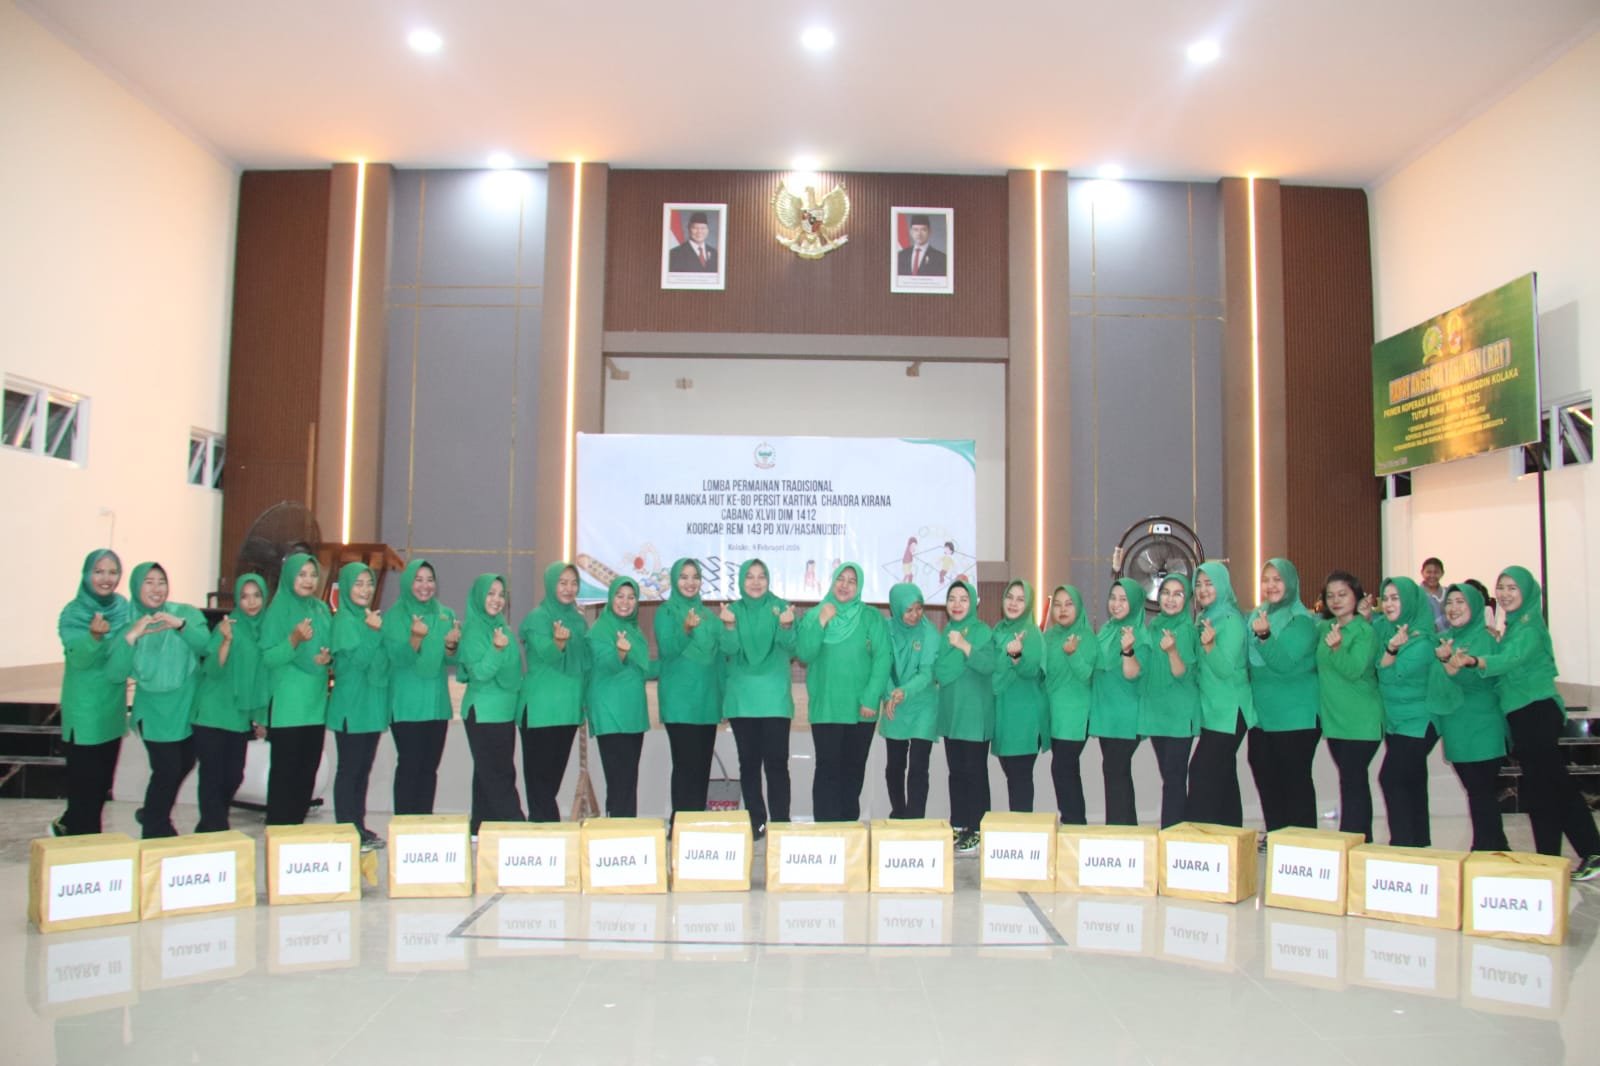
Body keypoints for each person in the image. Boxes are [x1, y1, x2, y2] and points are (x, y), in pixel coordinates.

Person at [1473, 566, 1600, 880]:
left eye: (1512, 588)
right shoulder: (1514, 626)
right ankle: (1548, 858)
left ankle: (1592, 850)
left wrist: (1478, 661)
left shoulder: (1529, 627)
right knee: (1541, 788)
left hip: (1536, 711)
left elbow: (1513, 660)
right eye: (1501, 587)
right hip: (1524, 713)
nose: (1505, 594)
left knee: (1554, 784)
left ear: (1527, 592)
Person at [105, 562, 209, 838]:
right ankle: (156, 828)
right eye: (148, 582)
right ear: (136, 587)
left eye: (161, 581)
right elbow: (115, 673)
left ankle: (151, 811)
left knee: (185, 763)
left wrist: (180, 626)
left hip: (186, 706)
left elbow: (206, 646)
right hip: (153, 712)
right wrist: (132, 636)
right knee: (167, 769)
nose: (156, 588)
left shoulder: (184, 613)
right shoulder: (128, 623)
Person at [797, 562, 890, 822]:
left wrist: (871, 698)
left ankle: (849, 830)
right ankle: (826, 829)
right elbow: (804, 654)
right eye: (841, 579)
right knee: (827, 769)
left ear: (858, 587)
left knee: (853, 770)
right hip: (826, 706)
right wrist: (821, 621)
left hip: (862, 708)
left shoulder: (871, 617)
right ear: (832, 581)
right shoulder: (815, 614)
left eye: (852, 581)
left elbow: (883, 658)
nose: (845, 585)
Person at [54, 549, 131, 837]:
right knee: (84, 787)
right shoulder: (74, 612)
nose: (106, 578)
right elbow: (79, 659)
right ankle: (84, 846)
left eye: (112, 572)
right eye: (99, 571)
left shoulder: (123, 608)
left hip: (112, 707)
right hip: (85, 711)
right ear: (87, 574)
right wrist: (94, 636)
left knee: (100, 786)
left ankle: (69, 826)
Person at [719, 559, 796, 836]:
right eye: (749, 576)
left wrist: (786, 627)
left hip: (774, 699)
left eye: (761, 576)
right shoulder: (732, 611)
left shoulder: (781, 608)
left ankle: (781, 822)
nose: (755, 582)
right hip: (742, 700)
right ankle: (756, 822)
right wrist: (729, 626)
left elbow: (792, 648)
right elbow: (728, 650)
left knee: (777, 764)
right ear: (741, 581)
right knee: (749, 765)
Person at [1246, 558, 1321, 835]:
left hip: (1296, 717)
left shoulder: (1302, 621)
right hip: (1263, 717)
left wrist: (1265, 637)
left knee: (1295, 784)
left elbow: (1284, 663)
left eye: (1277, 579)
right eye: (1266, 580)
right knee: (1267, 779)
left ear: (1290, 583)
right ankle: (1277, 836)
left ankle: (1302, 843)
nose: (1271, 585)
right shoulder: (1257, 615)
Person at [191, 574, 270, 833]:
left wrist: (260, 717)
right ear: (237, 599)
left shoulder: (265, 631)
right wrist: (226, 641)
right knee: (212, 776)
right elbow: (212, 669)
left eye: (257, 595)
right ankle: (216, 830)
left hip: (237, 717)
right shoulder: (228, 627)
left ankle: (209, 827)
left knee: (234, 776)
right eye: (245, 596)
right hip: (212, 712)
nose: (251, 602)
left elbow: (261, 679)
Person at [259, 553, 333, 826]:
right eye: (301, 574)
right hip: (288, 708)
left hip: (315, 706)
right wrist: (293, 639)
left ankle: (295, 834)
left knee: (306, 776)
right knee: (285, 777)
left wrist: (327, 659)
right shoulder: (278, 610)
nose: (308, 580)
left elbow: (330, 646)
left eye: (313, 575)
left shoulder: (321, 609)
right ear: (290, 576)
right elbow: (268, 657)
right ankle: (278, 833)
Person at [381, 559, 459, 816]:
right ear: (407, 582)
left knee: (429, 769)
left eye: (430, 580)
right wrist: (415, 638)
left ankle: (423, 824)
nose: (425, 586)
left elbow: (452, 661)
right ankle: (405, 825)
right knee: (410, 766)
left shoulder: (446, 614)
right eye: (418, 579)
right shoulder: (395, 616)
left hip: (436, 705)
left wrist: (451, 646)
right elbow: (397, 659)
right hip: (407, 704)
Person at [1435, 582, 1509, 852]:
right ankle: (1495, 848)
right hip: (1456, 727)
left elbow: (1483, 678)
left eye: (1460, 602)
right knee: (1477, 793)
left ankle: (1486, 850)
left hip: (1482, 726)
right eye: (1449, 603)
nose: (1453, 608)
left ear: (1475, 606)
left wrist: (1451, 664)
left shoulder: (1485, 638)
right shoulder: (1445, 639)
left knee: (1481, 792)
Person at [518, 562, 591, 822]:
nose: (569, 588)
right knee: (539, 782)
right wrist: (558, 642)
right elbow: (546, 655)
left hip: (568, 710)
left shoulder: (579, 622)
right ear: (550, 584)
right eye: (562, 583)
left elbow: (585, 664)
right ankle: (544, 830)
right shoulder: (537, 618)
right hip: (541, 710)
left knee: (552, 780)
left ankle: (545, 829)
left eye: (573, 583)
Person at [1373, 576, 1442, 848]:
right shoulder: (1387, 630)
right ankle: (1418, 844)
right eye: (1386, 598)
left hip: (1418, 721)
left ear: (1411, 602)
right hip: (1396, 721)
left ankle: (1402, 845)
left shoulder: (1422, 640)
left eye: (1396, 598)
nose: (1389, 604)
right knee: (1413, 781)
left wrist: (1390, 652)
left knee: (1390, 778)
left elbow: (1389, 675)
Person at [1315, 571, 1383, 842]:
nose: (1336, 600)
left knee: (1353, 783)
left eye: (1343, 594)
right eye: (1330, 595)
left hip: (1361, 720)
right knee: (1349, 781)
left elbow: (1355, 669)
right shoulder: (1325, 628)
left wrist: (1337, 649)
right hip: (1335, 720)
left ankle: (1355, 843)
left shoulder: (1364, 631)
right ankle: (1358, 842)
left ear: (1357, 596)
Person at [1186, 562, 1255, 827]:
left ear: (1223, 585)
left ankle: (1199, 838)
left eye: (1209, 583)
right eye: (1198, 584)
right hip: (1214, 709)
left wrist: (1210, 645)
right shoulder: (1205, 619)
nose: (1203, 590)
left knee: (1201, 771)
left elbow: (1225, 668)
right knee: (1224, 776)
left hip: (1230, 711)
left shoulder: (1230, 620)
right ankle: (1230, 836)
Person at [656, 559, 723, 822]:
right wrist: (685, 630)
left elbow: (720, 658)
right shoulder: (666, 612)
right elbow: (667, 649)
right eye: (684, 577)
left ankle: (696, 825)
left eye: (695, 577)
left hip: (707, 701)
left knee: (702, 768)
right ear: (675, 580)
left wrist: (722, 699)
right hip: (680, 702)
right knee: (685, 766)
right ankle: (680, 825)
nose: (690, 582)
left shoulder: (708, 616)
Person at [328, 562, 389, 849]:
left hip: (369, 707)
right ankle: (347, 828)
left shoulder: (367, 618)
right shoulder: (344, 620)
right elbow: (359, 661)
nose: (365, 590)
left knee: (362, 770)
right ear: (346, 587)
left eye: (369, 583)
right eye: (358, 583)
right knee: (350, 770)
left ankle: (358, 826)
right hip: (351, 708)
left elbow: (381, 663)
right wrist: (373, 633)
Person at [459, 573, 525, 833]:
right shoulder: (473, 630)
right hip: (484, 713)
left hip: (504, 712)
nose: (497, 600)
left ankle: (480, 827)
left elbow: (512, 673)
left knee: (486, 775)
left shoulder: (501, 627)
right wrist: (497, 650)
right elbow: (479, 673)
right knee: (500, 777)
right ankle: (518, 829)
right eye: (490, 593)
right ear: (479, 596)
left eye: (501, 594)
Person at [587, 576, 657, 817]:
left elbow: (643, 667)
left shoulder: (633, 629)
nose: (625, 602)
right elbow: (604, 665)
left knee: (628, 778)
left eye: (631, 597)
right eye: (620, 596)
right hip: (611, 713)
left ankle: (627, 825)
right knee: (618, 779)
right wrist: (619, 653)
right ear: (610, 598)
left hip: (632, 713)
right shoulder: (601, 628)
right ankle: (617, 826)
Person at [936, 579, 994, 851]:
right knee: (956, 773)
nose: (957, 604)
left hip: (974, 715)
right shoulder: (946, 632)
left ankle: (978, 827)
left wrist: (964, 646)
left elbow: (988, 665)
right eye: (952, 599)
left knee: (975, 773)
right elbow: (939, 670)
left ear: (973, 603)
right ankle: (958, 824)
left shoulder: (982, 631)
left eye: (963, 599)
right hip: (951, 714)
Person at [1140, 575, 1200, 828]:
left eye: (1178, 594)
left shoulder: (1187, 629)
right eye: (1166, 593)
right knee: (1169, 777)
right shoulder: (1154, 627)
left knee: (1174, 780)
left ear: (1186, 599)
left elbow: (1181, 673)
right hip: (1158, 712)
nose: (1171, 599)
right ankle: (1179, 830)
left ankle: (1172, 834)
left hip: (1179, 713)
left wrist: (1173, 650)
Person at [881, 582, 940, 819]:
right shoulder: (885, 630)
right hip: (893, 703)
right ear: (896, 609)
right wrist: (889, 694)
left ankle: (915, 820)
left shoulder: (930, 633)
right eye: (909, 610)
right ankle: (898, 813)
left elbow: (927, 674)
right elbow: (881, 666)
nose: (915, 615)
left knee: (918, 766)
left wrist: (903, 692)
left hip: (922, 703)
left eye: (919, 608)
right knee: (894, 766)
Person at [1042, 584, 1098, 824]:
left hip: (1076, 716)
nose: (1062, 610)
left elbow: (1087, 675)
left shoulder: (1086, 636)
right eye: (1057, 605)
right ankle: (1074, 823)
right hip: (1054, 715)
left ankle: (1074, 822)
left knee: (1062, 768)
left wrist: (1073, 653)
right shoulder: (1048, 637)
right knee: (1067, 771)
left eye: (1068, 604)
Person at [1091, 578, 1145, 825]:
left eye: (1124, 599)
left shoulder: (1138, 633)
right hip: (1107, 715)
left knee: (1115, 771)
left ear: (1134, 603)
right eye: (1113, 598)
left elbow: (1132, 673)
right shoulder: (1107, 629)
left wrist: (1128, 651)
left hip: (1126, 716)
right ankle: (1123, 830)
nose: (1116, 604)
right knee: (1115, 774)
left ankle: (1121, 832)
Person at [991, 580, 1046, 812]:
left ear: (1029, 604)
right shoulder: (998, 631)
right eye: (1010, 597)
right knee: (1012, 775)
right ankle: (1019, 826)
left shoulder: (1031, 633)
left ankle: (1023, 828)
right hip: (1003, 715)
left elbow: (1033, 671)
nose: (1013, 603)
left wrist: (1016, 657)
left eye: (1020, 599)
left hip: (1024, 719)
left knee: (1019, 778)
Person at [1420, 557, 1447, 634]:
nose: (1432, 575)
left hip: (1448, 636)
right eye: (1428, 572)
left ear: (1442, 573)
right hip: (1424, 635)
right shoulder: (1416, 594)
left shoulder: (1448, 593)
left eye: (1436, 572)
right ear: (1422, 572)